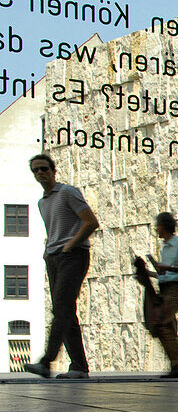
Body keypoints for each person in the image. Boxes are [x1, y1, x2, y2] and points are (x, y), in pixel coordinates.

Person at [24, 154, 99, 380]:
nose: (40, 173)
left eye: (44, 169)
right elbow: (53, 231)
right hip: (54, 257)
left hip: (73, 255)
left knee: (62, 310)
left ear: (53, 170)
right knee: (65, 312)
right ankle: (78, 367)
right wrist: (49, 252)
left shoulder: (67, 192)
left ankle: (47, 361)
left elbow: (91, 222)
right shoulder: (42, 202)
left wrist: (70, 245)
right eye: (35, 170)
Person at [149, 212, 178, 379]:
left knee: (162, 323)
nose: (156, 229)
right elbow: (164, 272)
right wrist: (151, 272)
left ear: (165, 226)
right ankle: (177, 366)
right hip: (164, 288)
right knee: (167, 327)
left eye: (158, 225)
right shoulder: (165, 247)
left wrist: (168, 267)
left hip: (174, 290)